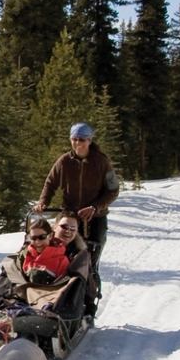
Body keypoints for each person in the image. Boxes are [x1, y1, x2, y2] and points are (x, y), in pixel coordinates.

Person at [37, 122, 119, 310]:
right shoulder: (64, 161)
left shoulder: (101, 162)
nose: (77, 143)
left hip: (95, 219)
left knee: (90, 260)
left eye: (82, 140)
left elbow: (113, 190)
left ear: (90, 141)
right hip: (70, 217)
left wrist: (95, 207)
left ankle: (88, 304)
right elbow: (50, 183)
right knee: (63, 256)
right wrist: (43, 202)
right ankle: (59, 297)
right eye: (74, 139)